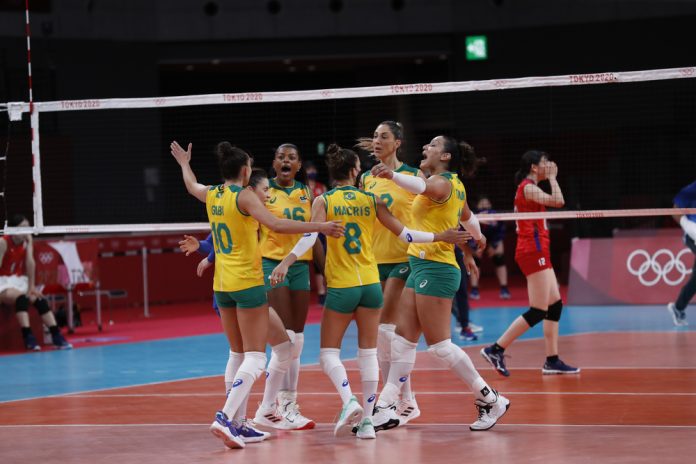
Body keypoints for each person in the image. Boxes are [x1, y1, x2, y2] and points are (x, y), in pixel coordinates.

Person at [270, 144, 467, 439]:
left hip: (342, 287)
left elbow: (308, 240)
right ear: (355, 172)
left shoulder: (324, 200)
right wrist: (442, 236)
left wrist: (285, 262)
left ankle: (349, 400)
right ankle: (367, 423)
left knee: (328, 355)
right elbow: (407, 234)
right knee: (369, 353)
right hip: (371, 286)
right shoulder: (372, 199)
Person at [170, 140, 343, 450]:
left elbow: (191, 185)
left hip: (222, 286)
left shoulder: (213, 194)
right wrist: (321, 226)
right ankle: (225, 418)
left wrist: (184, 163)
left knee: (274, 349)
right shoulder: (245, 197)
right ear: (246, 171)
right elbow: (276, 223)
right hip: (247, 284)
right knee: (253, 356)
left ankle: (241, 422)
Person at [366, 135, 510, 433]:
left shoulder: (443, 183)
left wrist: (392, 175)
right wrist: (478, 239)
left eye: (432, 145)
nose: (425, 148)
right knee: (402, 341)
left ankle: (490, 398)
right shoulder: (454, 186)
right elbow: (468, 217)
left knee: (440, 347)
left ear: (445, 157)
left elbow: (421, 186)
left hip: (437, 269)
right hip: (419, 264)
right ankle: (385, 406)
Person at [481, 150, 579, 377]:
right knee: (538, 310)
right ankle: (495, 349)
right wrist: (554, 177)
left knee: (555, 305)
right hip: (532, 252)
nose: (550, 165)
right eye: (546, 162)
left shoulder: (531, 188)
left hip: (539, 250)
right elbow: (559, 201)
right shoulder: (527, 187)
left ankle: (552, 360)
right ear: (534, 167)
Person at [357, 121, 424, 424]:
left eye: (384, 136)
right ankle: (405, 400)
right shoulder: (365, 179)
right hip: (372, 259)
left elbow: (428, 213)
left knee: (386, 330)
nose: (377, 141)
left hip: (404, 257)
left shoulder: (413, 176)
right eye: (374, 136)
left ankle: (396, 399)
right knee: (382, 336)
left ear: (398, 142)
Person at [259, 144, 323, 429]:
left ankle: (288, 402)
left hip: (300, 266)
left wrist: (327, 270)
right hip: (272, 264)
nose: (286, 160)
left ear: (299, 166)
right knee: (283, 337)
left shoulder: (307, 193)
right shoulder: (263, 191)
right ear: (274, 163)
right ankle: (272, 405)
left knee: (296, 338)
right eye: (281, 156)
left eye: (292, 158)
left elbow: (314, 233)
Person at [0, 214, 72, 351]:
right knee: (21, 298)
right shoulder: (3, 242)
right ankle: (28, 338)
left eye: (28, 228)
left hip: (16, 280)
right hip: (2, 282)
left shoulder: (26, 242)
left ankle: (56, 336)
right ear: (13, 229)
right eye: (23, 228)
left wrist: (31, 287)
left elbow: (30, 265)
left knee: (39, 300)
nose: (26, 231)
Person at [469, 195, 511, 300]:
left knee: (499, 257)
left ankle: (504, 288)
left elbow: (501, 232)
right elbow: (468, 232)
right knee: (475, 260)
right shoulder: (471, 216)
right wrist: (474, 248)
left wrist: (494, 245)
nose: (484, 205)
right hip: (476, 239)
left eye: (486, 203)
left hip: (493, 239)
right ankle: (474, 289)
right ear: (477, 205)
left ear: (490, 205)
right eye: (482, 203)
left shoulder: (495, 215)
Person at [667, 180, 696, 326]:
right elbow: (675, 210)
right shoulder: (691, 190)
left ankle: (678, 308)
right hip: (693, 235)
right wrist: (688, 225)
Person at [304, 160, 329, 305]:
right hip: (306, 227)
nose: (312, 172)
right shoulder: (303, 189)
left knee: (322, 258)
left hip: (320, 228)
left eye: (314, 169)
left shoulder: (321, 187)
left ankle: (322, 292)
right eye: (309, 170)